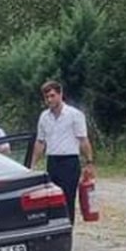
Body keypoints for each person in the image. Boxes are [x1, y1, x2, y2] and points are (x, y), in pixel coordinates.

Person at [32, 82, 95, 222]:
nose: (49, 100)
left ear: (60, 94)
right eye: (47, 97)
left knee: (67, 199)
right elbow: (40, 142)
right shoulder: (44, 116)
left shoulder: (74, 115)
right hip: (52, 161)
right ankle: (54, 229)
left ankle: (68, 228)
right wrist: (32, 165)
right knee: (51, 198)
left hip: (69, 161)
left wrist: (89, 162)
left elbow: (83, 139)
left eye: (52, 96)